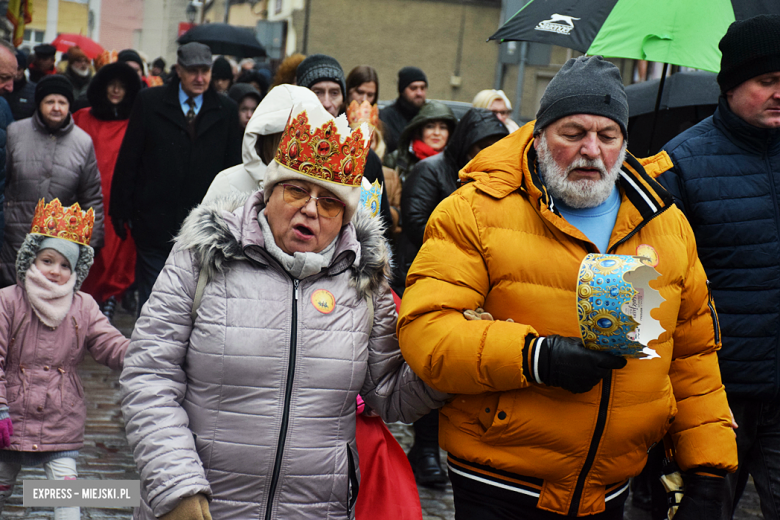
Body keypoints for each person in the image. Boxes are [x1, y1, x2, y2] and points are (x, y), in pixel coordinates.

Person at [398, 55, 739, 519]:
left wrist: (708, 467)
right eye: (573, 133)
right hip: (500, 479)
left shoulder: (665, 224)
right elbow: (426, 332)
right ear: (539, 137)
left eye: (607, 136)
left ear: (624, 143)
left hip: (609, 486)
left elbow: (693, 355)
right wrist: (537, 358)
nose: (592, 150)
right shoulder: (475, 211)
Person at [120, 100, 449, 519]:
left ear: (345, 218)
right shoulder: (202, 257)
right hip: (201, 506)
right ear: (269, 191)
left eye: (329, 202)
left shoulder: (364, 282)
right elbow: (149, 375)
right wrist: (176, 485)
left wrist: (451, 358)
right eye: (296, 190)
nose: (310, 209)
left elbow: (389, 394)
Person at [657, 15, 780, 520]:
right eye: (767, 81)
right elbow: (659, 288)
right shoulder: (680, 163)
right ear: (731, 86)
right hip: (711, 398)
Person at [0, 198, 128, 520]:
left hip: (60, 421)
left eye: (65, 265)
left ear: (75, 271)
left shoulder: (83, 306)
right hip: (10, 420)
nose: (55, 271)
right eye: (47, 260)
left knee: (67, 499)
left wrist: (144, 352)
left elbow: (109, 343)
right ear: (32, 258)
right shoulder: (8, 302)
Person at [110, 42, 241, 315]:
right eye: (193, 71)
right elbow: (130, 157)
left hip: (203, 225)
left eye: (205, 71)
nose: (200, 78)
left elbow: (233, 168)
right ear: (179, 70)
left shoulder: (226, 109)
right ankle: (150, 352)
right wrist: (121, 209)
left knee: (196, 301)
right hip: (154, 220)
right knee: (154, 301)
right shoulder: (150, 101)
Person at [1, 75, 104, 288]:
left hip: (58, 245)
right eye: (50, 102)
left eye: (62, 102)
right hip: (13, 239)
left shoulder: (82, 142)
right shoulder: (15, 133)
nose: (56, 108)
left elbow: (91, 197)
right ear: (39, 104)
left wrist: (90, 245)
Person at [72, 61, 142, 321]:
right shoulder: (81, 118)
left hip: (118, 201)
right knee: (90, 254)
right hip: (87, 200)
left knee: (119, 255)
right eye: (112, 84)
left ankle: (112, 299)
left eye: (122, 86)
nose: (116, 90)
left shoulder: (135, 121)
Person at [297, 54, 393, 239]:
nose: (326, 103)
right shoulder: (285, 144)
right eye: (317, 92)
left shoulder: (364, 155)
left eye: (334, 93)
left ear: (343, 98)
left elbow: (382, 221)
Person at [204, 85, 321, 204]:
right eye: (289, 137)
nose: (300, 147)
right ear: (268, 139)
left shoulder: (327, 189)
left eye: (308, 137)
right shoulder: (228, 184)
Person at [383, 100, 457, 185]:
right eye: (430, 127)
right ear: (420, 130)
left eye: (443, 127)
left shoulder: (456, 163)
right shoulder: (398, 158)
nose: (437, 133)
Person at [380, 66, 428, 153]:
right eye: (413, 88)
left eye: (422, 88)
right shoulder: (385, 117)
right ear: (402, 91)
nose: (419, 93)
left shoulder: (430, 117)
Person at [6, 49, 35, 120]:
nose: (15, 72)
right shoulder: (3, 88)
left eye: (18, 69)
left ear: (24, 69)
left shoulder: (33, 91)